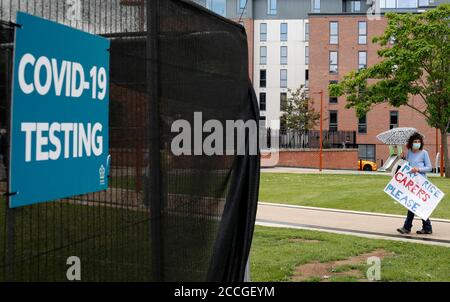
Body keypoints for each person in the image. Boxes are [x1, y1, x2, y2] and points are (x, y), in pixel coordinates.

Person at [397, 132, 433, 235]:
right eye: (415, 141)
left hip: (421, 183)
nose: (417, 143)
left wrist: (418, 169)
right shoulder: (408, 152)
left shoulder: (424, 153)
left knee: (413, 205)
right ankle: (427, 227)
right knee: (415, 205)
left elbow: (429, 168)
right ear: (411, 143)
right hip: (411, 183)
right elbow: (407, 166)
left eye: (418, 141)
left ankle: (407, 227)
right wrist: (403, 158)